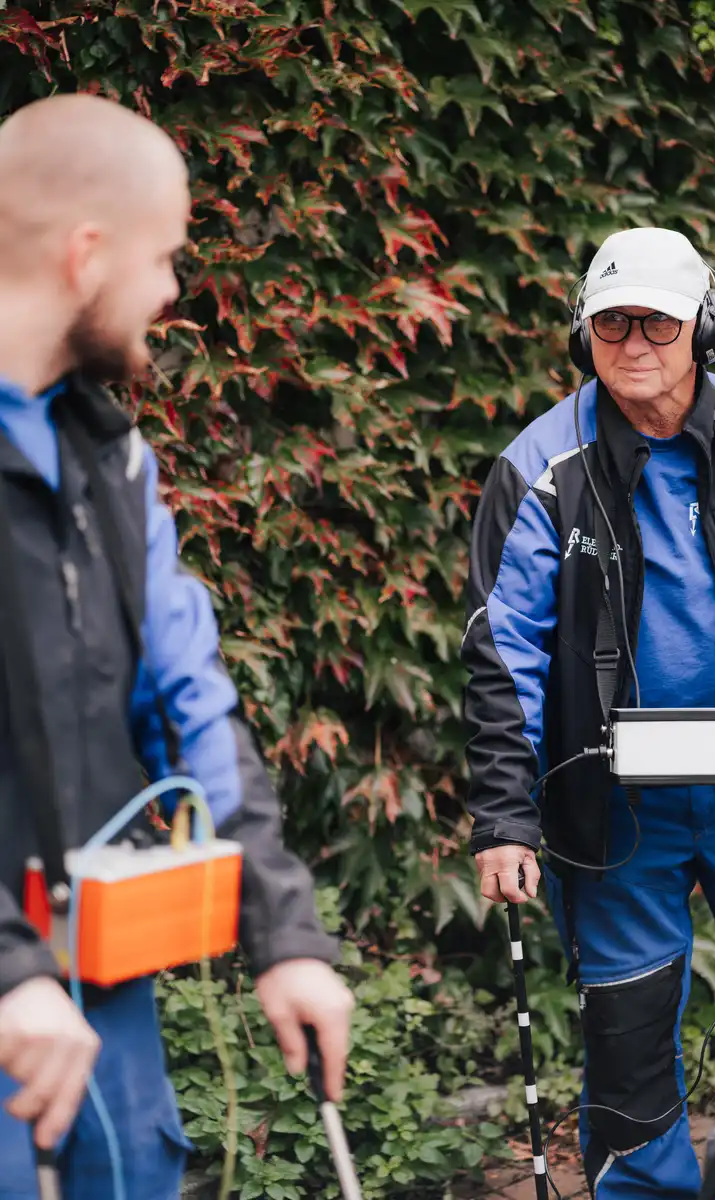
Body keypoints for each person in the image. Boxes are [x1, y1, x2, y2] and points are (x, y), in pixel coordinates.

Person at [0, 93, 353, 1198]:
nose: (168, 291)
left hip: (96, 984)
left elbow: (188, 695)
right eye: (162, 257)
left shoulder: (112, 458)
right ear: (85, 254)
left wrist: (283, 933)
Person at [462, 225, 715, 1198]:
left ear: (706, 327)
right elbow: (501, 649)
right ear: (584, 334)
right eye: (612, 323)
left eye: (658, 321)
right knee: (625, 1032)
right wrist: (503, 816)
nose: (634, 342)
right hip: (613, 805)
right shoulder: (538, 464)